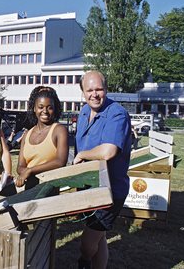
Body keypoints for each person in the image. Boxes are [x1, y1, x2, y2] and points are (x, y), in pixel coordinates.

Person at [73, 71, 132, 269]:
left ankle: (83, 263)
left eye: (99, 89)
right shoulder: (83, 112)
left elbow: (108, 151)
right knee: (100, 236)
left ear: (106, 89)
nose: (94, 94)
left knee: (87, 245)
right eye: (89, 90)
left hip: (109, 191)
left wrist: (82, 155)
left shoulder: (116, 113)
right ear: (83, 92)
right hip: (89, 186)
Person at [16, 86, 69, 190]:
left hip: (49, 189)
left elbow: (60, 162)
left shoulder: (59, 130)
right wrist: (24, 173)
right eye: (40, 107)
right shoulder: (27, 134)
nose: (45, 111)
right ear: (34, 109)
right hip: (28, 189)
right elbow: (20, 166)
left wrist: (30, 170)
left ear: (55, 109)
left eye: (49, 107)